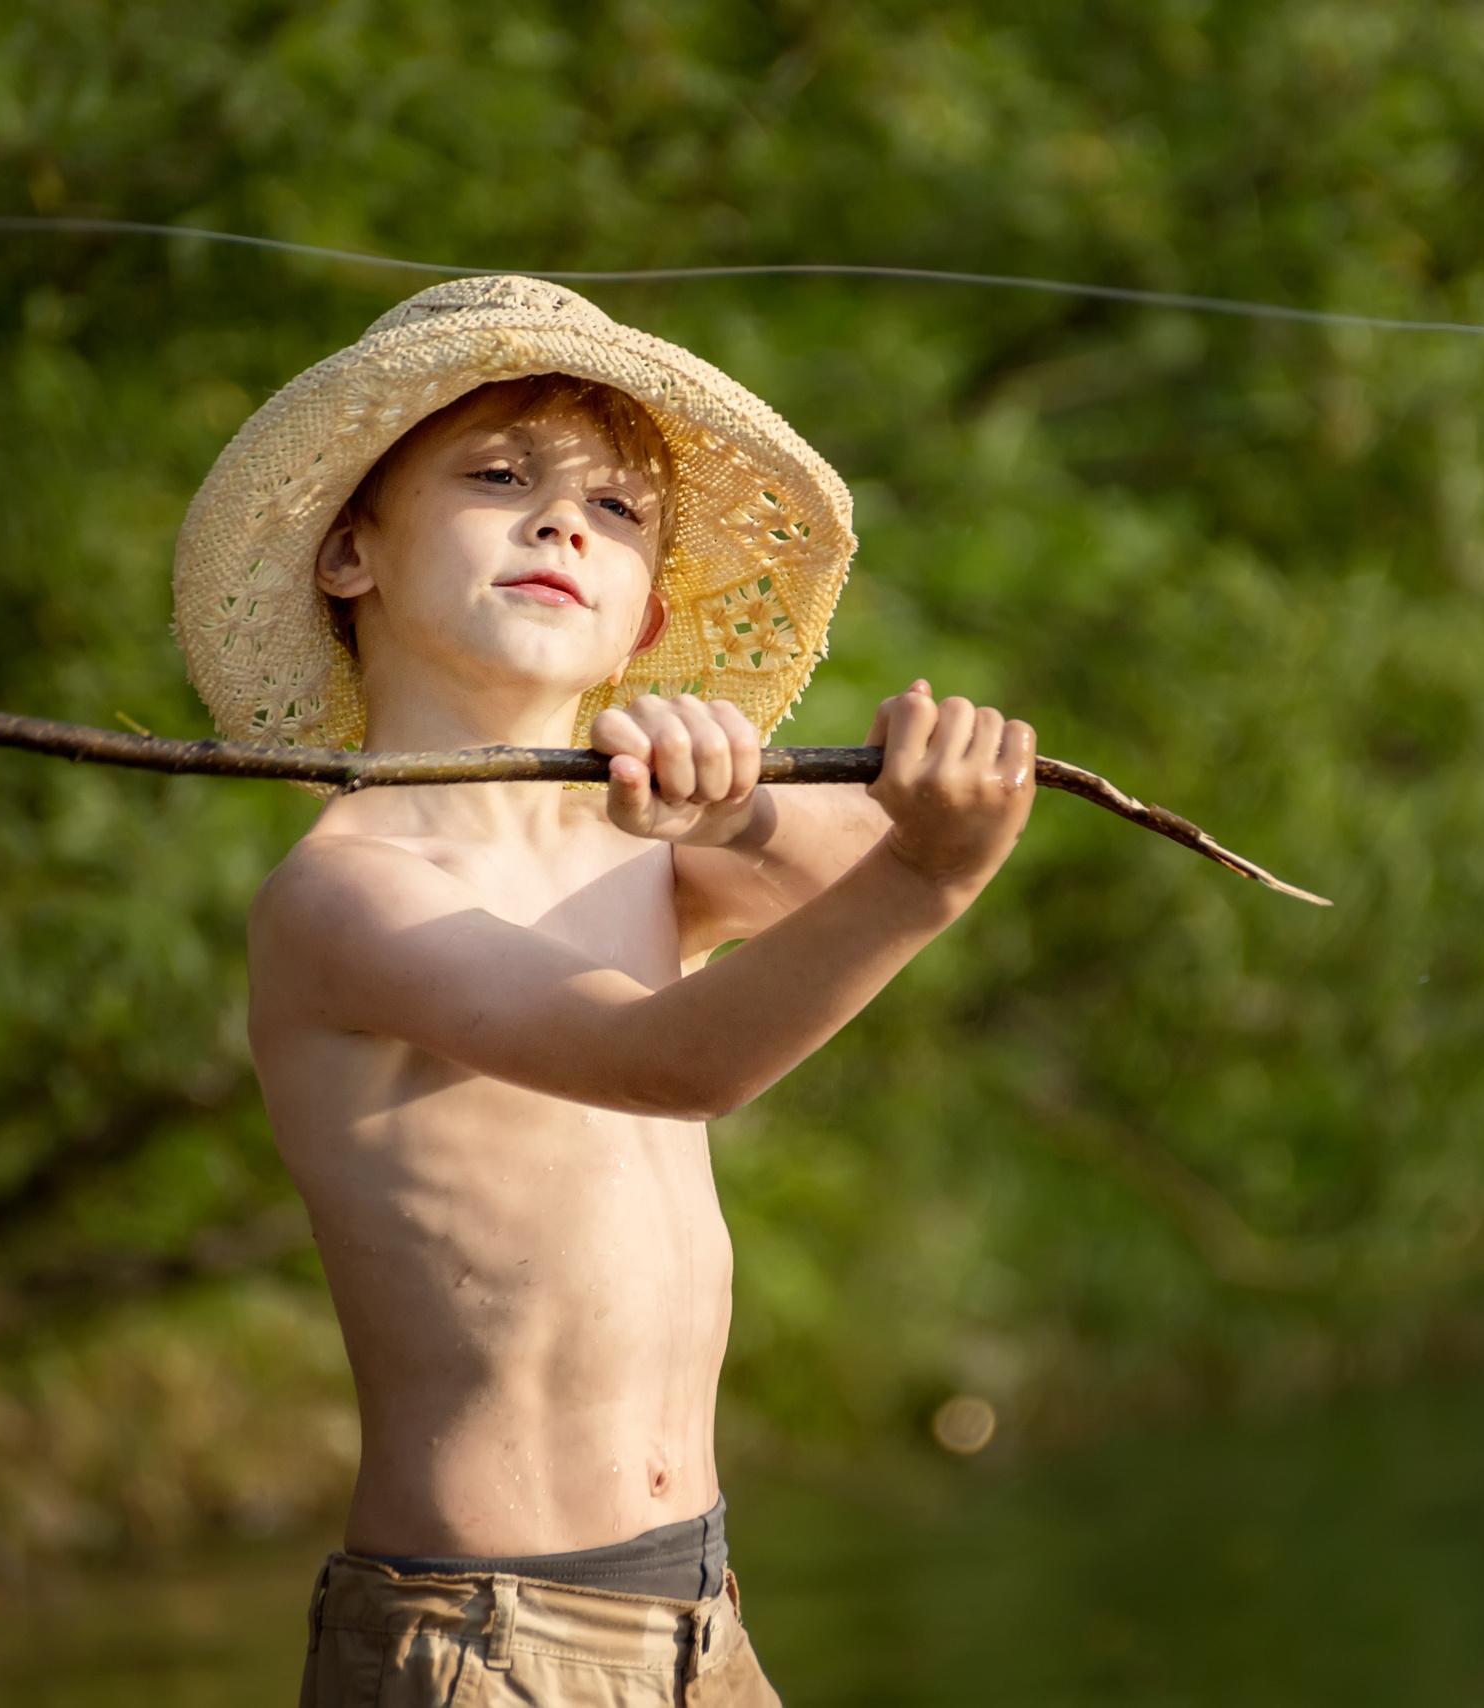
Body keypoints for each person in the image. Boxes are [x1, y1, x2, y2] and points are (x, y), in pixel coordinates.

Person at [171, 275, 1033, 1706]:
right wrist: (930, 877)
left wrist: (739, 812)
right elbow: (671, 1059)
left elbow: (847, 885)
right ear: (349, 553)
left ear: (639, 626)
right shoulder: (349, 891)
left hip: (697, 1607)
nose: (563, 521)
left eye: (618, 511)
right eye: (497, 478)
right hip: (486, 1636)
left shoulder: (631, 848)